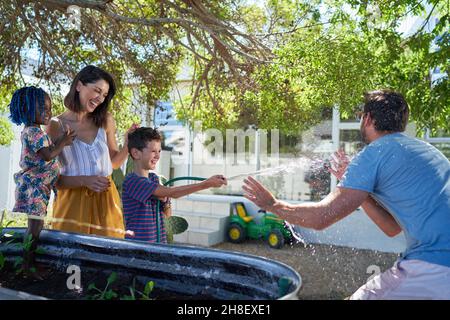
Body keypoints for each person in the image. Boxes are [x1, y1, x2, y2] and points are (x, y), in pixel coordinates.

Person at [243, 89, 450, 300]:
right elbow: (391, 228)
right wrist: (361, 190)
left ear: (367, 118)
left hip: (434, 265)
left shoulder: (374, 153)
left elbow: (321, 218)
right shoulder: (427, 150)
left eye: (361, 116)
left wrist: (272, 204)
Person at [48, 65, 135, 238]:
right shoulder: (56, 125)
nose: (100, 99)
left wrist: (127, 145)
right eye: (97, 90)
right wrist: (84, 180)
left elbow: (114, 163)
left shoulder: (106, 121)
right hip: (72, 203)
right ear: (79, 85)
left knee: (107, 257)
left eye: (104, 95)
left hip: (107, 201)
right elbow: (52, 179)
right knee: (72, 258)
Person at [8, 86, 76, 277]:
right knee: (34, 228)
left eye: (49, 107)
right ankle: (27, 266)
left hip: (40, 187)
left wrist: (61, 139)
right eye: (42, 108)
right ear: (27, 108)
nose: (48, 111)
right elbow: (47, 155)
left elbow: (47, 150)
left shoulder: (36, 132)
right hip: (35, 187)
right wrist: (63, 142)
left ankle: (29, 264)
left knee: (36, 226)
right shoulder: (33, 132)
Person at [122, 127, 227, 243]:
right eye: (153, 151)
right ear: (136, 153)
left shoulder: (153, 179)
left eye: (159, 151)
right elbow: (173, 193)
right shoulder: (132, 181)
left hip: (158, 246)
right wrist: (207, 184)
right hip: (139, 248)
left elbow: (167, 216)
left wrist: (165, 201)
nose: (157, 156)